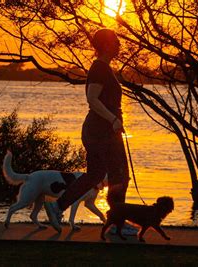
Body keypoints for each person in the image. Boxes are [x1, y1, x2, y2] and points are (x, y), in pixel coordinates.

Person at [45, 28, 137, 235]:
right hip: (101, 130)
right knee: (119, 174)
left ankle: (57, 207)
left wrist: (114, 120)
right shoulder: (99, 69)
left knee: (96, 174)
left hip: (100, 129)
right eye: (115, 41)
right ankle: (116, 224)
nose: (119, 45)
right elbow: (92, 99)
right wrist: (113, 118)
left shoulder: (104, 68)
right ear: (105, 45)